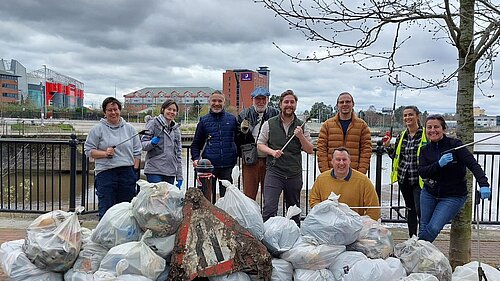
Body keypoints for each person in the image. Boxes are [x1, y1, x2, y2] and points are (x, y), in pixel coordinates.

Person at [418, 114, 491, 242]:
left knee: (433, 227)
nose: (432, 130)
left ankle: (414, 249)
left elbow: (473, 165)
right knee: (424, 227)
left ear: (443, 129)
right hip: (429, 193)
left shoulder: (455, 145)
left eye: (436, 127)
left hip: (453, 196)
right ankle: (419, 256)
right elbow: (423, 172)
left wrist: (484, 184)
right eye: (429, 127)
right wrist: (439, 164)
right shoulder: (425, 150)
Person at [257, 90, 314, 224]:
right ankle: (267, 239)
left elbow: (310, 149)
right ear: (280, 104)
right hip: (274, 171)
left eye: (292, 102)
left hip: (294, 173)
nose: (289, 105)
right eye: (286, 102)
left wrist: (300, 137)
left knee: (293, 209)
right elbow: (260, 144)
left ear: (295, 105)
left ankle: (293, 237)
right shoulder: (269, 124)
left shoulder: (302, 125)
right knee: (269, 208)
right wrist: (272, 152)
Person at [84, 97, 141, 218]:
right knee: (106, 208)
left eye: (115, 109)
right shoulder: (97, 129)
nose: (113, 112)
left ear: (120, 110)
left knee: (127, 208)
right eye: (110, 110)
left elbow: (137, 151)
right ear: (105, 112)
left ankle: (125, 235)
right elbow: (88, 151)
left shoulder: (129, 129)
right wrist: (105, 153)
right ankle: (106, 235)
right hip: (105, 173)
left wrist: (134, 170)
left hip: (127, 173)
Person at [383, 105, 427, 237]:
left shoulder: (426, 134)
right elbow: (396, 156)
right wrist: (387, 147)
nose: (408, 118)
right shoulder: (402, 136)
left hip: (420, 180)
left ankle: (423, 238)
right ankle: (412, 237)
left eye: (410, 115)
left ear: (417, 116)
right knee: (410, 209)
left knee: (421, 210)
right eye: (405, 115)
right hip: (404, 178)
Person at [309, 147, 381, 220]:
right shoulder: (321, 179)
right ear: (332, 161)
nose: (341, 163)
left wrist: (367, 224)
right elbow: (314, 201)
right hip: (327, 223)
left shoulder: (363, 181)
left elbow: (373, 208)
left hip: (354, 225)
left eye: (344, 159)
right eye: (338, 159)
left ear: (350, 161)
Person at [191, 90, 238, 200]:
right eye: (214, 101)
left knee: (227, 200)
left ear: (224, 102)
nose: (217, 103)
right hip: (209, 167)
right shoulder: (204, 121)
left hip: (227, 166)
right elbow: (196, 144)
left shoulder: (232, 120)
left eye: (219, 101)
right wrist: (196, 158)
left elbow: (239, 140)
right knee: (207, 199)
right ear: (209, 102)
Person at [237, 87, 280, 200]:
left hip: (270, 160)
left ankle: (268, 217)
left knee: (269, 195)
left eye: (263, 99)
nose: (261, 102)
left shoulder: (275, 113)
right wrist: (243, 132)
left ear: (268, 99)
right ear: (253, 99)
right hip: (250, 159)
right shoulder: (243, 114)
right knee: (249, 194)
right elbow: (237, 139)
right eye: (258, 99)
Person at [317, 92, 372, 174]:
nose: (344, 104)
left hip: (354, 174)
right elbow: (321, 150)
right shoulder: (327, 125)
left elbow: (366, 151)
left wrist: (360, 173)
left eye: (348, 102)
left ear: (353, 104)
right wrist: (326, 173)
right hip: (332, 173)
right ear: (337, 105)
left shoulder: (362, 125)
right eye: (341, 102)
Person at [141, 99, 183, 187]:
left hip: (170, 171)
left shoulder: (176, 129)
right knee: (157, 198)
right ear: (163, 109)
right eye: (169, 109)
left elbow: (178, 154)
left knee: (166, 199)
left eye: (174, 110)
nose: (171, 112)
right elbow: (143, 145)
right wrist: (151, 143)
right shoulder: (153, 123)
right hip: (154, 169)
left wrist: (179, 176)